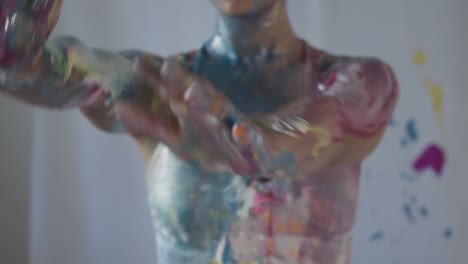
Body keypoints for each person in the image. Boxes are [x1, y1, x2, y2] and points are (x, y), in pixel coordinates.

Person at [0, 0, 398, 263]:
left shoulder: (360, 85)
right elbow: (45, 74)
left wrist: (244, 140)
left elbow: (289, 140)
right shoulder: (154, 86)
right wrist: (15, 48)